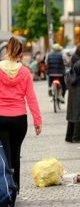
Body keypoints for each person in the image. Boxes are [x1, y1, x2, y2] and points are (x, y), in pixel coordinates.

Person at [0, 37, 42, 197]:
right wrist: (37, 121)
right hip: (19, 120)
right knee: (16, 154)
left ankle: (5, 189)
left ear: (6, 50)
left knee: (4, 155)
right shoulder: (25, 72)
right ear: (20, 53)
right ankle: (15, 188)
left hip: (1, 118)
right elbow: (31, 98)